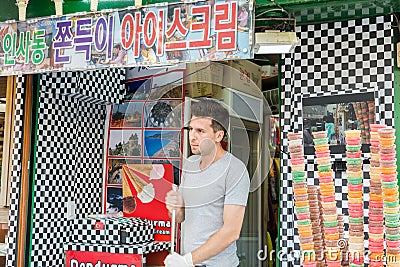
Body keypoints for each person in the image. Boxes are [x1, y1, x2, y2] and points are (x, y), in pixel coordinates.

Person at [164, 99, 250, 267]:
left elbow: (231, 232)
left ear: (219, 136)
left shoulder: (234, 170)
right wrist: (176, 208)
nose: (192, 136)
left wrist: (187, 260)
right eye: (191, 129)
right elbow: (182, 218)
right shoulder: (190, 164)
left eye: (201, 131)